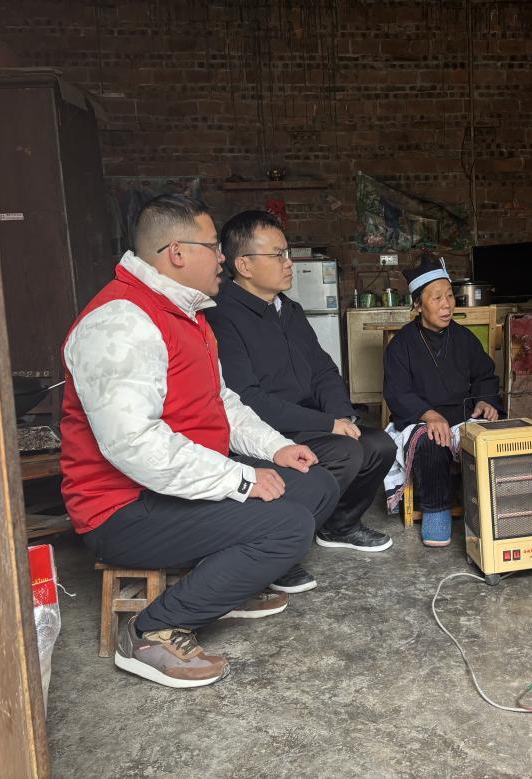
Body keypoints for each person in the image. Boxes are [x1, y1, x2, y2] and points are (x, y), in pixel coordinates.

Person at [60, 194, 340, 688]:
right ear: (176, 253)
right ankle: (150, 631)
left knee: (314, 484)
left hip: (175, 489)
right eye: (213, 247)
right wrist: (240, 479)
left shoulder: (187, 314)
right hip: (124, 508)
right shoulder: (120, 321)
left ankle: (228, 583)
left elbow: (222, 400)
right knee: (289, 527)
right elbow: (134, 444)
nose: (222, 259)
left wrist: (274, 448)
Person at [207, 210, 395, 594]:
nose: (288, 262)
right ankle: (276, 547)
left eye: (287, 252)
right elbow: (247, 400)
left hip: (309, 421)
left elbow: (324, 369)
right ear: (244, 265)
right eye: (277, 255)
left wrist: (341, 416)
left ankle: (338, 525)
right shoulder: (223, 316)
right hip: (266, 434)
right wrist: (327, 425)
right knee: (345, 452)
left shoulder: (287, 309)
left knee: (379, 444)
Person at [383, 256, 503, 547]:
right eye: (436, 298)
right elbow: (398, 393)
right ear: (418, 305)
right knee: (433, 439)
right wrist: (429, 414)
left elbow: (485, 375)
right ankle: (436, 510)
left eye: (449, 296)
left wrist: (485, 401)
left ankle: (491, 510)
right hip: (420, 419)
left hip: (463, 416)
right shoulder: (401, 345)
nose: (447, 304)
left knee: (493, 434)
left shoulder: (464, 338)